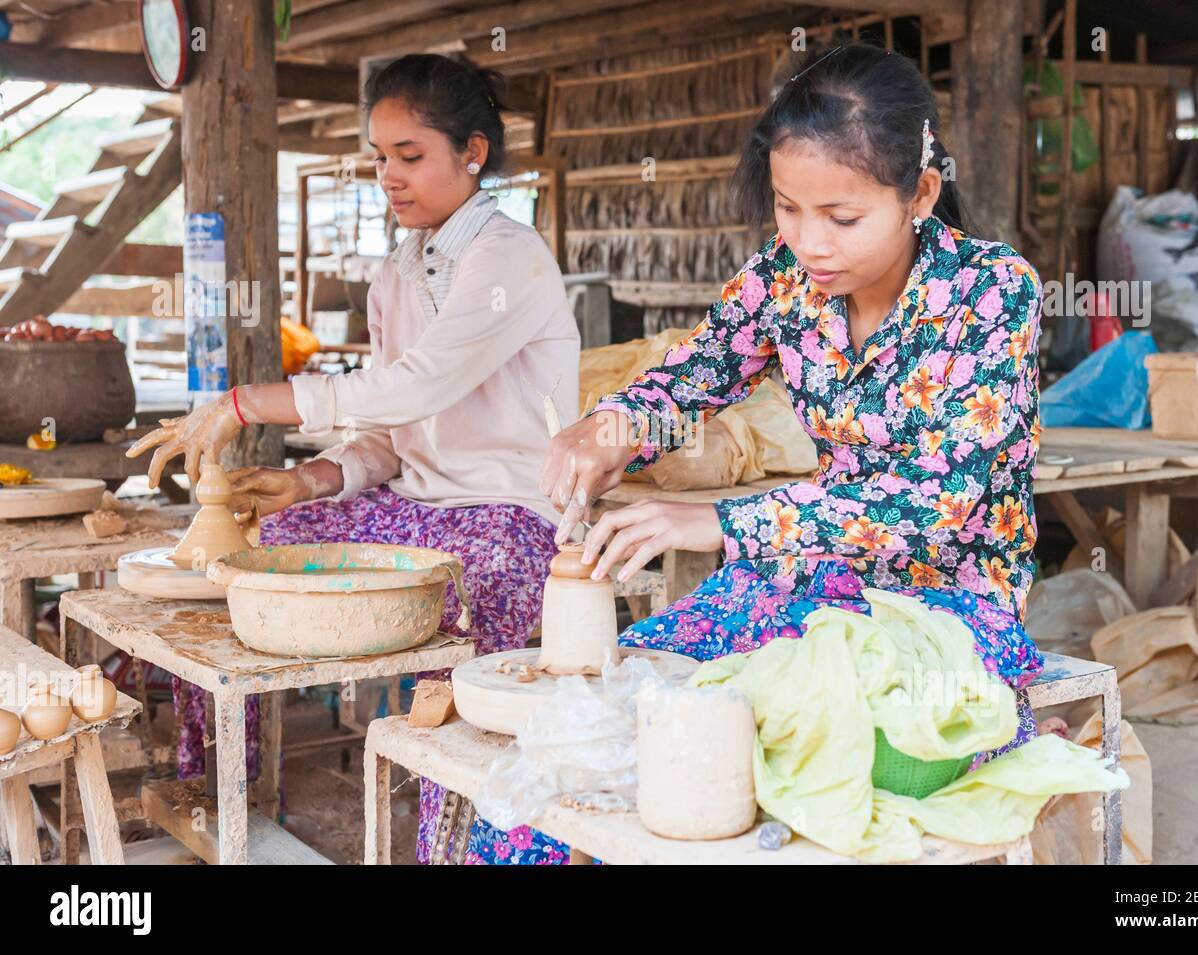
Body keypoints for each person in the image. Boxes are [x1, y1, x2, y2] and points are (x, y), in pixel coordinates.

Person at [469, 44, 1045, 864]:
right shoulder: (784, 280)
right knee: (607, 739)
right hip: (803, 572)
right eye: (787, 208)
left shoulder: (990, 293)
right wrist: (619, 426)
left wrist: (724, 522)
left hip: (945, 609)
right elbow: (694, 374)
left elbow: (936, 505)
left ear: (919, 193)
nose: (810, 242)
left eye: (842, 218)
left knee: (767, 771)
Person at [127, 53, 579, 864]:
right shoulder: (398, 271)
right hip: (418, 504)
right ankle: (224, 794)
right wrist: (308, 477)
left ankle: (465, 840)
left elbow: (413, 385)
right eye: (379, 156)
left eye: (410, 156)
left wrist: (245, 403)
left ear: (472, 153)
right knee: (256, 548)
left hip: (514, 514)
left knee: (486, 587)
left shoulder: (506, 257)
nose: (389, 176)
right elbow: (387, 434)